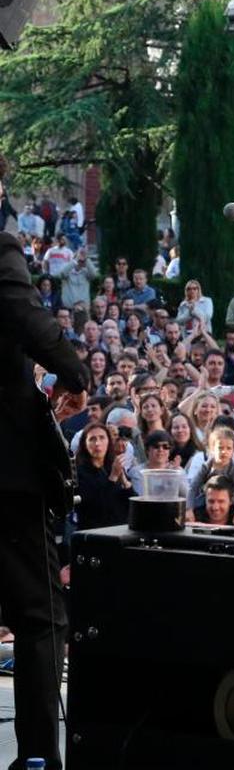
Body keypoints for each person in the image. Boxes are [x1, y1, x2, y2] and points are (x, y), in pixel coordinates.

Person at [0, 207, 89, 770]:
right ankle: (36, 759)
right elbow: (30, 321)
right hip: (5, 472)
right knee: (40, 615)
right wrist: (75, 374)